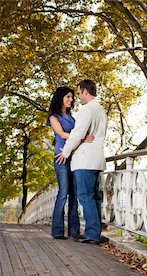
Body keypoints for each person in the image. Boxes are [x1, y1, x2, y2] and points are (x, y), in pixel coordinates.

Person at [55, 80, 107, 245]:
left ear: (85, 92)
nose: (78, 97)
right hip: (97, 159)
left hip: (85, 160)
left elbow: (77, 134)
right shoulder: (101, 110)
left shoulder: (87, 110)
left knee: (85, 196)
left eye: (78, 93)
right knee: (94, 197)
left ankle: (92, 234)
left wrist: (65, 152)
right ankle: (96, 232)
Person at [47, 86, 94, 240]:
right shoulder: (54, 117)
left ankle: (74, 231)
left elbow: (79, 133)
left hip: (74, 159)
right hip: (61, 158)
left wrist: (83, 137)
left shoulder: (73, 118)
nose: (71, 99)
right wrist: (81, 138)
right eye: (68, 96)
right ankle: (57, 231)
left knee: (74, 195)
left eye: (72, 97)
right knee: (63, 193)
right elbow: (61, 134)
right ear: (60, 98)